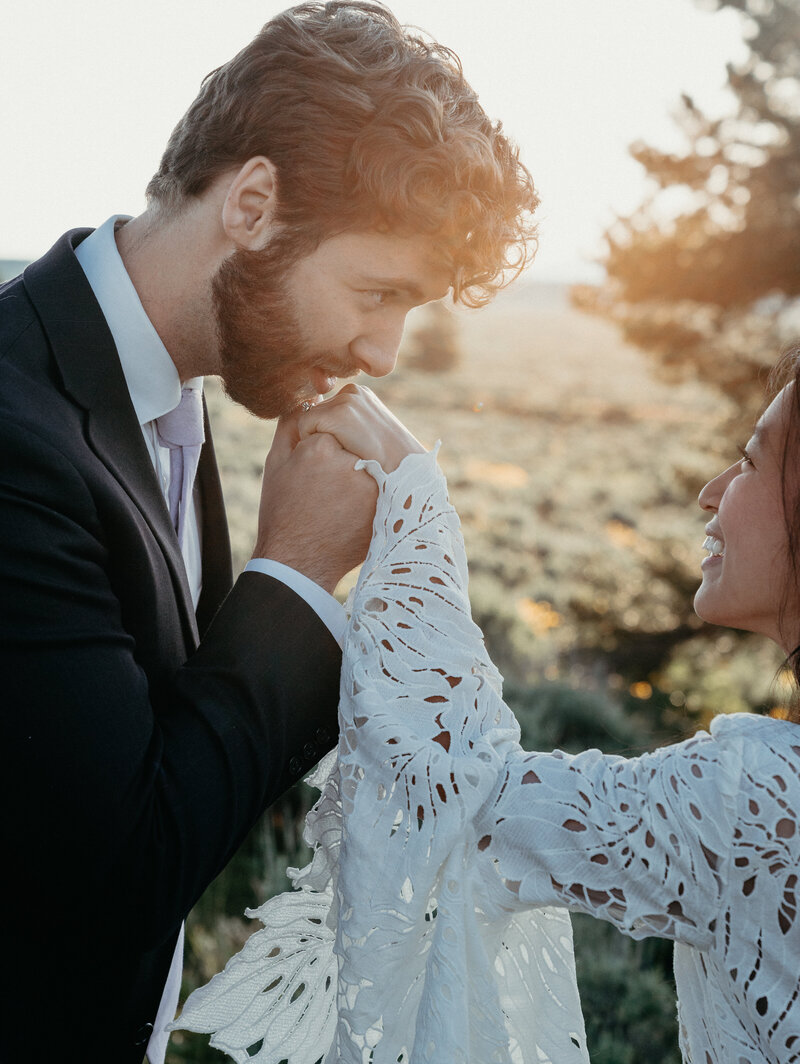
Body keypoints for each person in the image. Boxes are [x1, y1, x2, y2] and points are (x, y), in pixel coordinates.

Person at [0, 0, 537, 1064]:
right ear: (252, 204)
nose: (382, 352)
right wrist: (291, 575)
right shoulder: (15, 438)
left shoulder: (169, 400)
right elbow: (116, 873)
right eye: (375, 291)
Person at [178, 353, 800, 1064]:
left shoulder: (761, 797)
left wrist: (416, 495)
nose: (711, 492)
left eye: (749, 464)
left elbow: (473, 801)